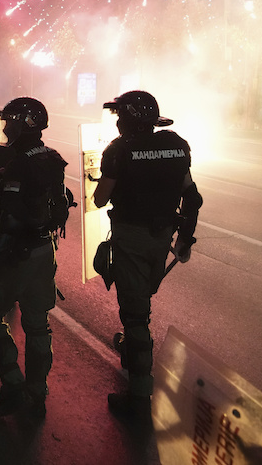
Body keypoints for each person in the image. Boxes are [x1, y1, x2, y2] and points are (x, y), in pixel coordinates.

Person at [91, 90, 202, 418]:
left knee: (136, 314)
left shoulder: (118, 151)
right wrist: (184, 240)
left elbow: (99, 200)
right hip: (163, 238)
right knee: (142, 299)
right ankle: (130, 349)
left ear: (125, 120)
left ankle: (139, 395)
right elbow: (192, 198)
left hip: (131, 239)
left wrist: (102, 181)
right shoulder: (176, 145)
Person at [0, 97, 68, 419]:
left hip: (16, 255)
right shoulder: (52, 158)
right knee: (39, 325)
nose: (5, 126)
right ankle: (38, 392)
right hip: (44, 250)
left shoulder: (17, 164)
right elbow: (61, 205)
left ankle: (13, 382)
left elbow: (9, 222)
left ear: (24, 123)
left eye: (9, 120)